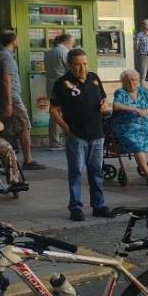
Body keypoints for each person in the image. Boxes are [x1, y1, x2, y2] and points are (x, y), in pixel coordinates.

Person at [49, 49, 114, 221]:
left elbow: (104, 99)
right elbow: (53, 109)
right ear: (69, 65)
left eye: (84, 64)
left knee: (96, 171)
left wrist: (105, 106)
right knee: (76, 172)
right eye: (77, 64)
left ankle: (99, 205)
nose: (82, 68)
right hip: (76, 135)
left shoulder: (94, 78)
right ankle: (76, 207)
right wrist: (64, 126)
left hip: (97, 133)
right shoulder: (62, 84)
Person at [0, 30, 44, 170]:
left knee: (5, 130)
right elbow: (6, 80)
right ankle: (28, 159)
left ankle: (3, 160)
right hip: (12, 98)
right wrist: (9, 103)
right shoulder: (6, 57)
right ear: (14, 40)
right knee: (24, 127)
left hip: (0, 98)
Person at [111, 70, 148, 186]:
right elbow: (116, 105)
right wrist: (134, 109)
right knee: (138, 146)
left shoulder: (143, 91)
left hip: (143, 127)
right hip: (126, 128)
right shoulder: (121, 92)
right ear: (123, 82)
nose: (131, 83)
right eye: (127, 81)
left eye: (134, 80)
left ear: (138, 81)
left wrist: (147, 110)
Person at [43, 33, 74, 149]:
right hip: (62, 86)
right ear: (67, 42)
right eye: (72, 43)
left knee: (54, 113)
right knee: (67, 112)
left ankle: (53, 141)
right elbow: (70, 70)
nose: (72, 46)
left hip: (50, 85)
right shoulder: (64, 52)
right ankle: (69, 138)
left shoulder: (49, 52)